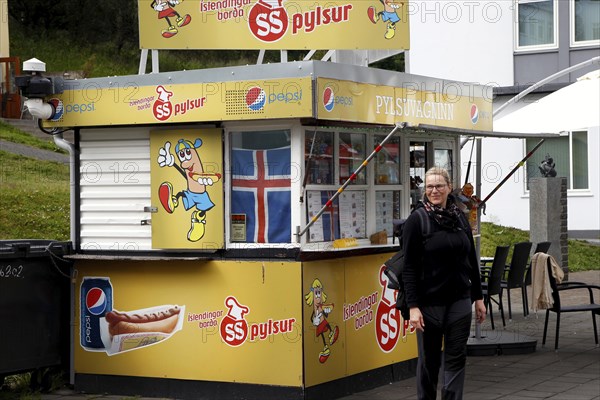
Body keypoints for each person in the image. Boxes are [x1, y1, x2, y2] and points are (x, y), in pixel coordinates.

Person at [402, 167, 486, 400]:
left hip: (459, 301)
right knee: (429, 363)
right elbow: (408, 268)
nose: (434, 190)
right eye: (429, 186)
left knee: (456, 359)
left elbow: (471, 259)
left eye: (439, 186)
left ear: (450, 188)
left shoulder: (459, 217)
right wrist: (413, 307)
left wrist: (478, 298)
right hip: (429, 305)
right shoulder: (417, 221)